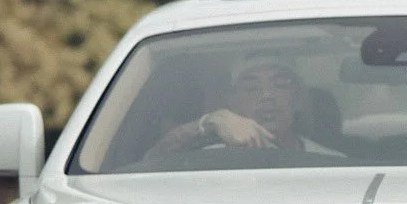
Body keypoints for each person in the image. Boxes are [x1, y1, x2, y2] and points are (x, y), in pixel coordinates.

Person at [144, 56, 343, 158]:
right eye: (251, 87)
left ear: (298, 97)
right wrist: (211, 122)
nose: (267, 96)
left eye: (280, 84)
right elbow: (150, 162)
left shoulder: (332, 164)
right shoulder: (206, 160)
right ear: (233, 102)